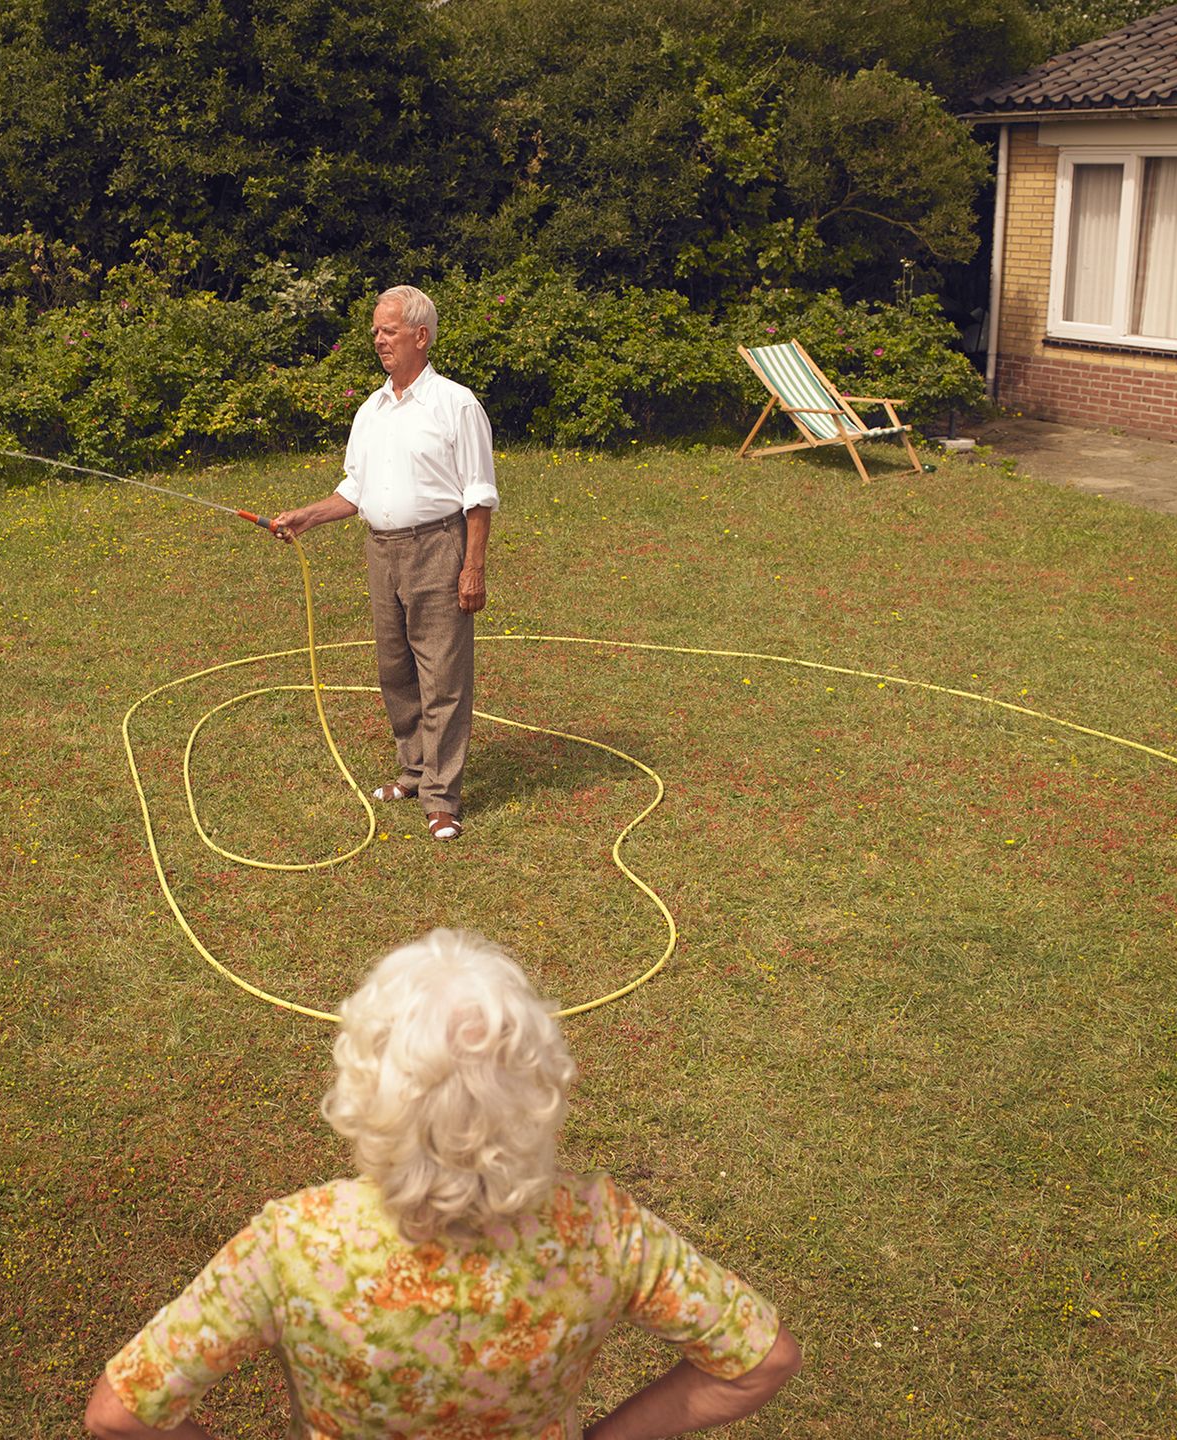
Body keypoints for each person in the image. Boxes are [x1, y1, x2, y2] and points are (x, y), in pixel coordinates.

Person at [84, 930, 802, 1440]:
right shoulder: (602, 1234)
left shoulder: (294, 1244)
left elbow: (118, 1413)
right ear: (537, 1087)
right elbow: (760, 1363)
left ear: (365, 1087)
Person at [272, 287, 497, 843]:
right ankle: (415, 772)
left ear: (420, 336)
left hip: (438, 548)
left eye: (388, 330)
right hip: (381, 551)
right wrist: (309, 515)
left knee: (442, 675)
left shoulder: (456, 404)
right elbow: (355, 488)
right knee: (395, 670)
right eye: (375, 331)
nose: (377, 339)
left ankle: (442, 799)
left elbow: (479, 495)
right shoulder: (370, 409)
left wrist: (472, 568)